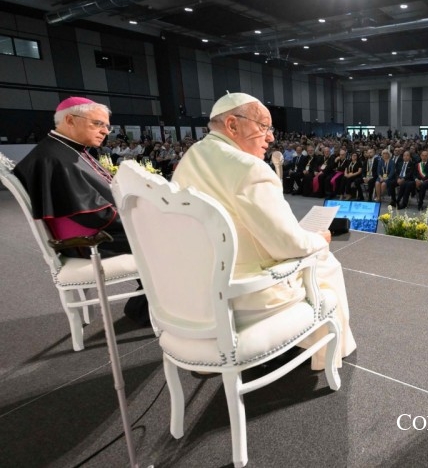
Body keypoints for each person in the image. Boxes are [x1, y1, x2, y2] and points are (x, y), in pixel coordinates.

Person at [172, 92, 356, 370]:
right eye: (263, 127)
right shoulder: (249, 168)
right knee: (325, 260)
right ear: (233, 125)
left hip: (196, 284)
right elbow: (288, 245)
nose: (270, 138)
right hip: (245, 290)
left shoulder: (192, 156)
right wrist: (319, 238)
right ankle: (326, 352)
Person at [13, 97, 149, 325]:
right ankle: (148, 308)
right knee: (171, 237)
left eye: (107, 126)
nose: (105, 131)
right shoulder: (53, 158)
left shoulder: (64, 149)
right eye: (98, 124)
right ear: (69, 120)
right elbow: (92, 214)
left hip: (96, 232)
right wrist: (142, 216)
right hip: (90, 241)